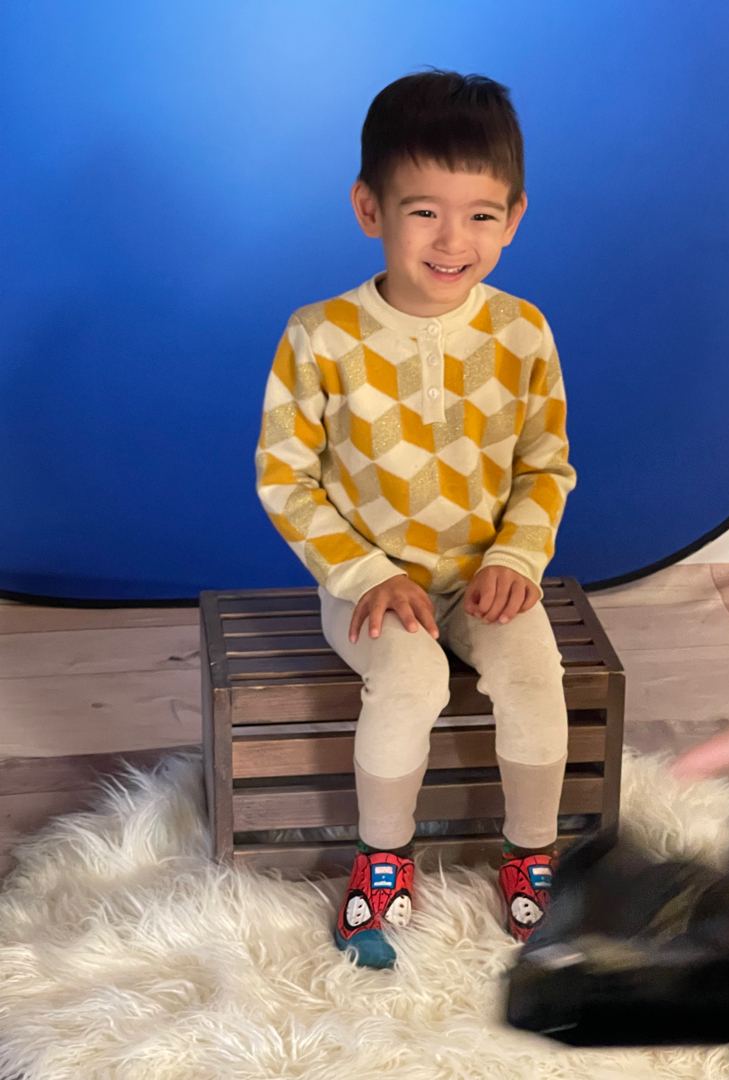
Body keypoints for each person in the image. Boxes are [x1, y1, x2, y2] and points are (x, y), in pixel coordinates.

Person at [255, 70, 576, 968]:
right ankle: (385, 859)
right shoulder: (320, 335)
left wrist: (516, 557)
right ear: (371, 209)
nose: (452, 240)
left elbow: (545, 466)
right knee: (410, 680)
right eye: (424, 211)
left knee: (536, 675)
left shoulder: (523, 332)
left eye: (481, 215)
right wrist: (366, 574)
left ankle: (531, 855)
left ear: (514, 218)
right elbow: (286, 479)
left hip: (486, 578)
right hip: (369, 585)